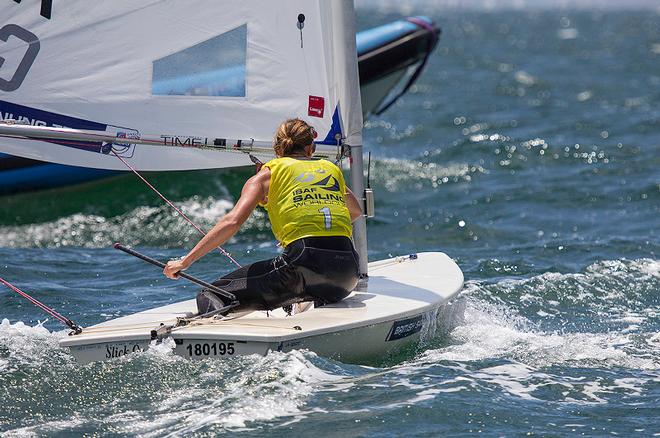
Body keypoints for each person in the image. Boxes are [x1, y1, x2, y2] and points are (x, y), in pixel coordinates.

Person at [163, 118, 363, 315]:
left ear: (277, 150)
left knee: (212, 293)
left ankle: (215, 336)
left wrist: (185, 262)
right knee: (301, 280)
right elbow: (355, 211)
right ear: (311, 148)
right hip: (347, 275)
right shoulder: (331, 170)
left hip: (303, 266)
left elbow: (232, 222)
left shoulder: (267, 175)